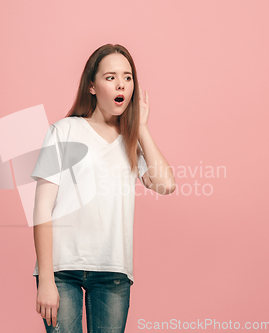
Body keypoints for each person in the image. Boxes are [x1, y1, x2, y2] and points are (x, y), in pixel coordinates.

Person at [31, 44, 176, 333]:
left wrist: (142, 128)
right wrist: (46, 279)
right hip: (62, 270)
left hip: (113, 271)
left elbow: (166, 184)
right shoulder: (65, 131)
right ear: (92, 86)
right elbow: (42, 209)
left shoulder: (132, 142)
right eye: (110, 77)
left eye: (127, 77)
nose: (121, 83)